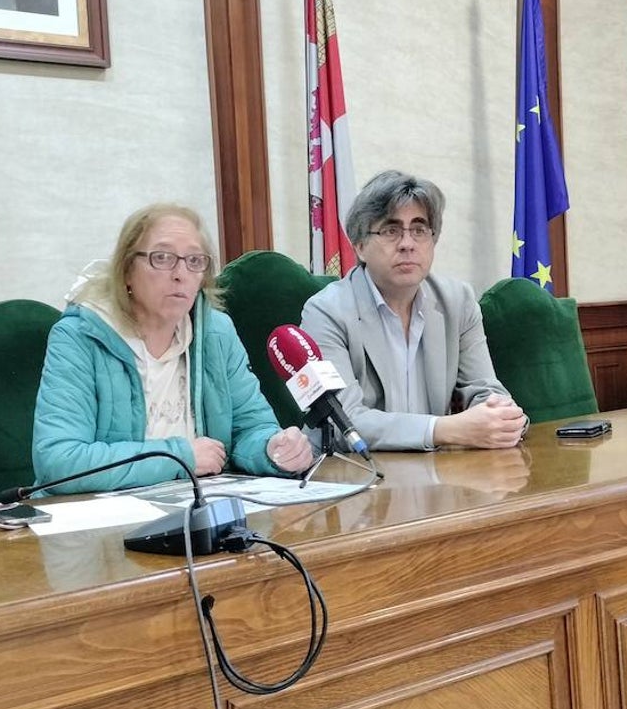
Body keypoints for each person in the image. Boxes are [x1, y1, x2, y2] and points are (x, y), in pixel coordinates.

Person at [32, 203, 314, 495]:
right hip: (101, 517)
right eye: (162, 258)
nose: (181, 274)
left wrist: (273, 450)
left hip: (198, 509)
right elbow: (59, 461)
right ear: (126, 270)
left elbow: (251, 428)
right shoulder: (79, 336)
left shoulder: (216, 332)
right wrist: (180, 457)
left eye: (194, 261)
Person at [300, 170, 528, 451]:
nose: (407, 244)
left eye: (419, 230)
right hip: (355, 476)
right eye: (391, 230)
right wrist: (444, 429)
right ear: (359, 246)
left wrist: (501, 418)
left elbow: (485, 389)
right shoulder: (325, 312)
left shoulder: (457, 301)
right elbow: (340, 422)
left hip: (435, 475)